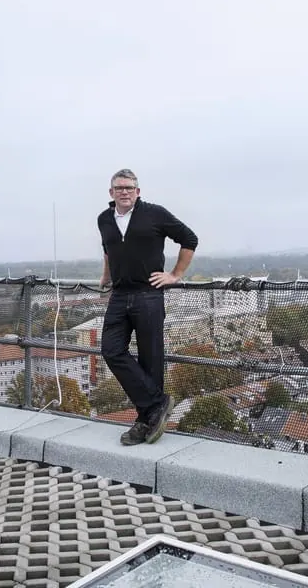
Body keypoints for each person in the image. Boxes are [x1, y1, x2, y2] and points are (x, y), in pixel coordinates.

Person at [97, 168, 198, 446]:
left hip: (148, 294)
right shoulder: (104, 219)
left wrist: (175, 275)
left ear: (138, 192)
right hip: (119, 294)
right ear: (111, 193)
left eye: (130, 187)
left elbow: (190, 239)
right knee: (110, 349)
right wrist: (106, 275)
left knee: (150, 359)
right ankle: (158, 403)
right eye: (119, 188)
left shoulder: (155, 214)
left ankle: (145, 422)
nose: (125, 192)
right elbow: (108, 248)